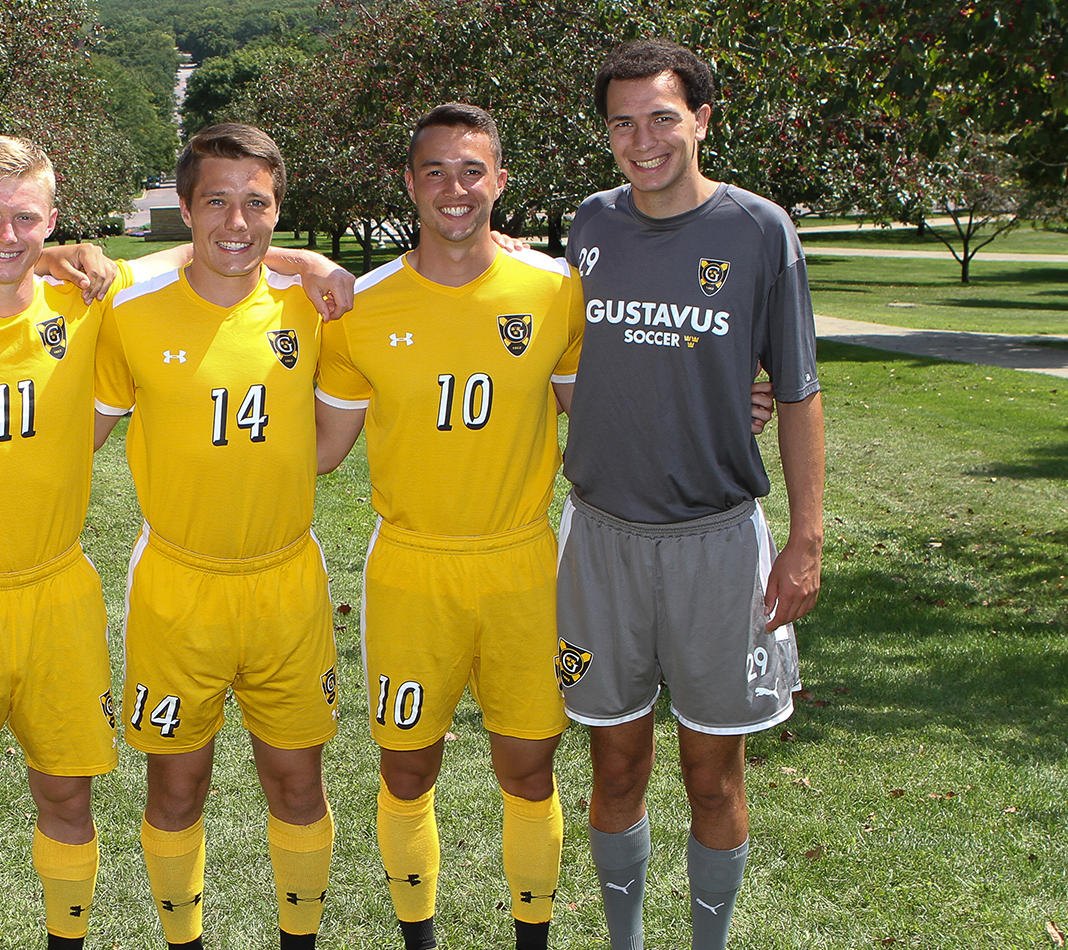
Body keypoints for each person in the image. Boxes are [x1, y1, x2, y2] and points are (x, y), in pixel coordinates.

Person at [0, 135, 350, 950]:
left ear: (52, 220)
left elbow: (210, 254)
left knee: (72, 795)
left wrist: (306, 261)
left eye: (26, 218)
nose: (5, 232)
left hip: (67, 593)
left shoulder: (91, 304)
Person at [559, 39, 825, 950]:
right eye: (622, 123)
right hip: (599, 539)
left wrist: (806, 540)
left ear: (702, 119)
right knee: (615, 762)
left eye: (662, 117)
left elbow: (794, 390)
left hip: (717, 540)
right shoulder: (587, 225)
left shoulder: (758, 230)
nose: (643, 140)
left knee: (712, 774)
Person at [314, 103, 580, 950]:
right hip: (411, 572)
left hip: (523, 566)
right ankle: (418, 939)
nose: (454, 189)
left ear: (500, 180)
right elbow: (318, 449)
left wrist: (731, 405)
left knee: (528, 769)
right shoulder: (361, 307)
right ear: (409, 184)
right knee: (405, 767)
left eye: (472, 171)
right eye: (434, 171)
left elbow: (604, 416)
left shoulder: (552, 291)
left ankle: (530, 937)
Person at [92, 123, 339, 950]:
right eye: (217, 202)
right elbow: (77, 430)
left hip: (286, 584)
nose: (237, 222)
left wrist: (308, 265)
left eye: (257, 203)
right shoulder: (130, 314)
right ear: (187, 208)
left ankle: (297, 940)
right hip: (176, 587)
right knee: (175, 787)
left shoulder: (316, 306)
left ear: (279, 208)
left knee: (297, 784)